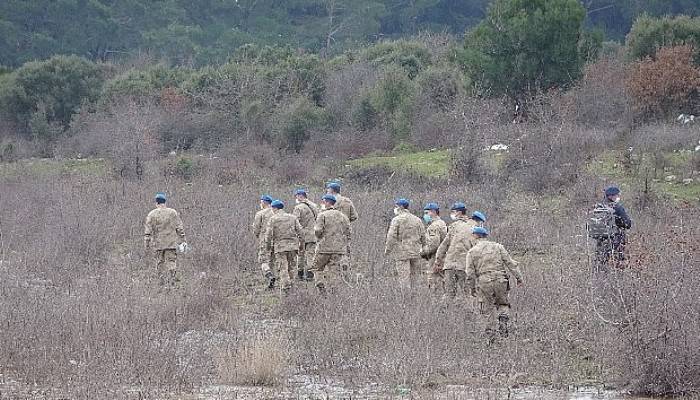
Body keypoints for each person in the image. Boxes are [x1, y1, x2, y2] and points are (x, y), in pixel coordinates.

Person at [466, 227, 523, 339]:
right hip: (501, 279)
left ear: (475, 236)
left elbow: (470, 274)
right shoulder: (498, 247)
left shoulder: (472, 252)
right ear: (485, 236)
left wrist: (472, 289)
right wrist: (519, 278)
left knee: (487, 308)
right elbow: (510, 263)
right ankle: (503, 320)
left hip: (484, 282)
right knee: (503, 303)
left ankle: (491, 335)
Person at [434, 203, 482, 301]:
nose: (452, 214)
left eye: (453, 212)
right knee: (467, 295)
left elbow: (444, 245)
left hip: (449, 266)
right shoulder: (475, 228)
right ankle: (468, 315)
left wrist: (438, 261)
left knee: (448, 295)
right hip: (464, 266)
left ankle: (445, 314)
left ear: (459, 212)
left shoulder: (453, 226)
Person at [144, 192, 187, 287]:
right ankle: (172, 281)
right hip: (171, 243)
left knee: (160, 263)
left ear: (156, 203)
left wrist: (146, 245)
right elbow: (179, 228)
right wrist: (183, 240)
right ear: (165, 202)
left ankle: (161, 283)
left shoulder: (151, 214)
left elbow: (147, 232)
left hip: (157, 244)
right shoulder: (173, 213)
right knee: (171, 262)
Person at [311, 194, 351, 294]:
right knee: (334, 271)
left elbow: (318, 230)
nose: (322, 204)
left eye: (323, 201)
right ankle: (334, 291)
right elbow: (349, 232)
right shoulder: (343, 216)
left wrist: (319, 238)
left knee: (316, 267)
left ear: (328, 202)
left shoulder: (322, 215)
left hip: (324, 248)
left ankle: (320, 283)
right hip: (338, 249)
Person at [384, 198, 426, 289]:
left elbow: (391, 236)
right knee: (416, 278)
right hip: (416, 252)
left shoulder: (397, 220)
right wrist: (425, 249)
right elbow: (423, 236)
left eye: (396, 206)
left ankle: (406, 299)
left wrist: (388, 250)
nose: (395, 208)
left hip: (402, 253)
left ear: (401, 207)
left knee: (404, 278)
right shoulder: (417, 220)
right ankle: (417, 298)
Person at [265, 200, 305, 293]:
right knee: (292, 268)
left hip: (280, 247)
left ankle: (286, 288)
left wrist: (268, 247)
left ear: (275, 208)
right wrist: (301, 245)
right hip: (293, 247)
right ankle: (292, 285)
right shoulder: (293, 217)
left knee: (283, 268)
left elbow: (268, 235)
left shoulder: (273, 219)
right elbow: (301, 233)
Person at [594, 186, 633, 269]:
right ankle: (617, 279)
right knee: (618, 263)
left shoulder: (599, 207)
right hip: (616, 240)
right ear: (611, 196)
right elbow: (628, 224)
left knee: (601, 262)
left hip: (601, 240)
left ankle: (599, 278)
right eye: (617, 195)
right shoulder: (617, 208)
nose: (618, 197)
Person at [420, 203, 448, 293]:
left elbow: (433, 245)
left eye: (427, 213)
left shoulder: (434, 226)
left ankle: (435, 303)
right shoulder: (442, 223)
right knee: (443, 280)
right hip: (443, 257)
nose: (425, 215)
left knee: (433, 281)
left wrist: (422, 252)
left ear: (434, 212)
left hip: (435, 258)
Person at [293, 189, 319, 281]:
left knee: (301, 255)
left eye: (296, 196)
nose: (295, 198)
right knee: (311, 255)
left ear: (300, 196)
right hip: (313, 234)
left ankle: (300, 275)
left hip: (303, 235)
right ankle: (310, 275)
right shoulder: (314, 206)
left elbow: (295, 222)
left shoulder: (298, 207)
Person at [252, 194, 276, 289]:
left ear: (263, 202)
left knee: (263, 261)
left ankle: (269, 275)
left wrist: (258, 236)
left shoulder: (260, 214)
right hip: (277, 240)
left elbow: (256, 229)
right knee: (272, 261)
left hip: (265, 240)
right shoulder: (277, 212)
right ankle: (272, 284)